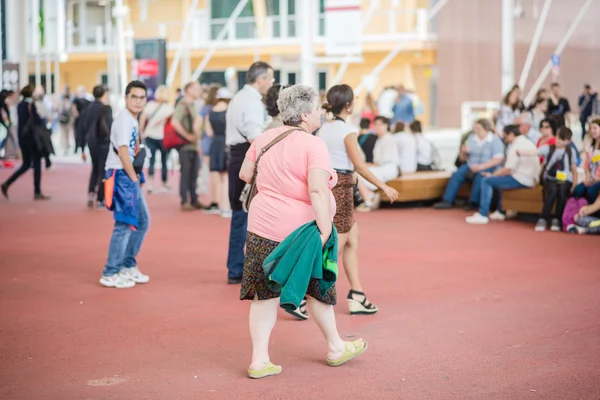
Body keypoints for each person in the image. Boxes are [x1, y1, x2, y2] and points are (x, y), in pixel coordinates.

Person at [238, 85, 368, 379]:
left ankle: (259, 360)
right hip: (301, 230)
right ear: (306, 113)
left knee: (263, 293)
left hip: (261, 225)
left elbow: (246, 174)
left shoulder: (264, 137)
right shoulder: (313, 145)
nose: (322, 112)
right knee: (318, 289)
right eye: (318, 108)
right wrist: (325, 230)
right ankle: (335, 347)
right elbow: (317, 190)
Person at [319, 84, 399, 316]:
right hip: (342, 189)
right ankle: (310, 292)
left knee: (351, 239)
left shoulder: (325, 127)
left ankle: (357, 294)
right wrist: (383, 186)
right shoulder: (347, 131)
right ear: (348, 105)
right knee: (335, 246)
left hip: (332, 186)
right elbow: (360, 166)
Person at [225, 61, 273, 284]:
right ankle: (239, 268)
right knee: (246, 214)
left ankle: (237, 267)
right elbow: (254, 135)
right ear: (260, 79)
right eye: (270, 78)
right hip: (246, 157)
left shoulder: (239, 98)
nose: (271, 83)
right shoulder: (252, 102)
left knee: (239, 213)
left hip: (237, 156)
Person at [100, 80, 151, 289]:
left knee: (141, 220)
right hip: (122, 175)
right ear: (126, 97)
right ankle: (111, 271)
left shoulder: (131, 119)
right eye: (134, 97)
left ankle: (127, 264)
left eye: (142, 97)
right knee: (124, 224)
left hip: (127, 175)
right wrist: (132, 177)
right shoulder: (124, 120)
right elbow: (122, 151)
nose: (138, 101)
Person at [466, 124, 541, 225]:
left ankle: (483, 214)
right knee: (499, 180)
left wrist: (492, 175)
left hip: (522, 179)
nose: (504, 139)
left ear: (511, 134)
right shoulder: (526, 142)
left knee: (486, 181)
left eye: (505, 136)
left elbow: (507, 169)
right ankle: (500, 211)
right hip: (530, 179)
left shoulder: (515, 145)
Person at [434, 119, 504, 210]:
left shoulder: (495, 140)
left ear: (486, 129)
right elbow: (463, 159)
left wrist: (480, 167)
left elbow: (497, 160)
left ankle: (473, 202)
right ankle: (447, 200)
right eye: (475, 128)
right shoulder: (471, 138)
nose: (476, 131)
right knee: (456, 174)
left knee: (480, 176)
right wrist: (463, 153)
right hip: (471, 165)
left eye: (478, 128)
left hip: (486, 166)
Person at [1, 84, 49, 200]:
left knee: (26, 164)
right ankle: (37, 191)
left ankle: (7, 183)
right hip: (33, 139)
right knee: (36, 164)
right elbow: (37, 121)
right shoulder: (30, 106)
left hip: (23, 138)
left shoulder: (20, 105)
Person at [531, 127, 578, 232]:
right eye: (558, 138)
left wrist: (574, 184)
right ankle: (543, 218)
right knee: (552, 191)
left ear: (568, 140)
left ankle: (557, 219)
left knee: (562, 191)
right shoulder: (549, 148)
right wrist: (521, 152)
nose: (560, 141)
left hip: (565, 179)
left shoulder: (571, 151)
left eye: (563, 139)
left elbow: (574, 170)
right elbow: (535, 152)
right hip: (550, 178)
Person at [171, 81, 203, 211]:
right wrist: (187, 136)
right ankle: (185, 200)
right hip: (185, 146)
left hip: (193, 145)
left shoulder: (192, 105)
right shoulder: (183, 104)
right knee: (186, 173)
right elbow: (175, 122)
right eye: (197, 89)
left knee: (193, 173)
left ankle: (194, 198)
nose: (199, 91)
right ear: (189, 89)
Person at [79, 85, 113, 208]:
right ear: (104, 94)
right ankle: (100, 198)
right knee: (103, 169)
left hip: (92, 143)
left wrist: (82, 147)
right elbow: (110, 126)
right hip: (104, 142)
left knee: (95, 168)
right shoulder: (106, 109)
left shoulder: (87, 108)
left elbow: (82, 128)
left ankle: (91, 193)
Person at [140, 85, 174, 194]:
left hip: (150, 135)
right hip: (164, 137)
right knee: (164, 161)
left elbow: (143, 118)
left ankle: (150, 183)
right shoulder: (169, 108)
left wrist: (141, 132)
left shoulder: (150, 105)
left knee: (151, 160)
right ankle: (164, 183)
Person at [204, 87, 233, 217]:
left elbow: (209, 132)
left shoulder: (210, 112)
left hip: (215, 144)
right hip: (226, 144)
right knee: (226, 177)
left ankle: (221, 206)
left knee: (217, 177)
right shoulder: (229, 111)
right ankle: (227, 207)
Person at [573, 119, 600, 204]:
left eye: (595, 128)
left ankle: (594, 214)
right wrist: (588, 176)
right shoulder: (590, 147)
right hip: (591, 178)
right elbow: (587, 164)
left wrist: (597, 178)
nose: (592, 131)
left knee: (591, 191)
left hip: (598, 179)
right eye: (590, 128)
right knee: (577, 191)